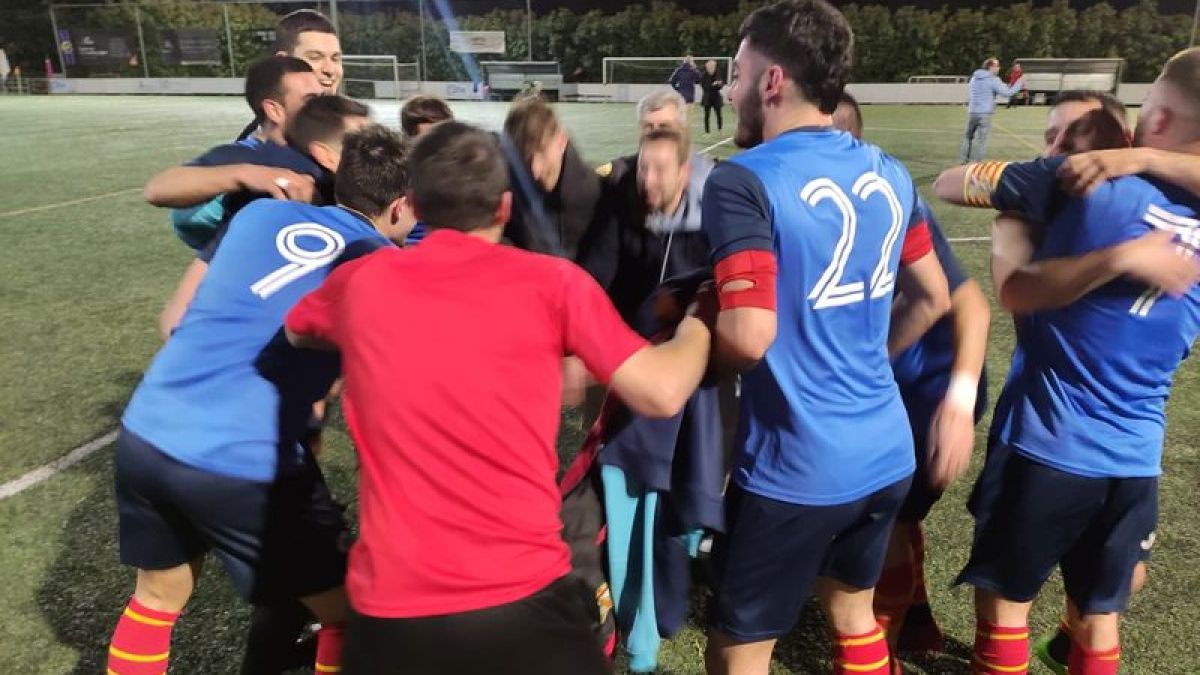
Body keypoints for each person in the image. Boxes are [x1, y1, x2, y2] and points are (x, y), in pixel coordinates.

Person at [283, 120, 716, 674]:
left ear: (412, 203)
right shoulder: (553, 283)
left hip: (390, 608)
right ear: (506, 206)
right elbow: (661, 390)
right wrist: (701, 319)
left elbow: (299, 330)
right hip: (520, 593)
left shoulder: (362, 280)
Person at [105, 123, 416, 675]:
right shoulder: (385, 266)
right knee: (350, 615)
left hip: (148, 429)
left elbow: (174, 320)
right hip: (243, 460)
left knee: (157, 598)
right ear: (401, 206)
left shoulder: (256, 215)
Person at [700, 3, 952, 674]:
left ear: (773, 80)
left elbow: (749, 336)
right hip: (884, 449)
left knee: (738, 644)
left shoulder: (742, 180)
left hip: (796, 465)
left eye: (737, 72)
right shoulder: (890, 170)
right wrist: (864, 357)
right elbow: (933, 295)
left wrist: (695, 355)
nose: (728, 89)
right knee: (851, 611)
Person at [932, 49, 1200, 675]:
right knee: (1098, 618)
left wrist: (1029, 215)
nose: (1060, 149)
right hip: (1136, 462)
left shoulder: (1073, 187)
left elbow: (951, 183)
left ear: (1152, 119)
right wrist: (1140, 157)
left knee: (1004, 612)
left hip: (1049, 449)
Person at [832, 92, 992, 657]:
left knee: (887, 525)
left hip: (926, 390)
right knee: (896, 519)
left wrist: (957, 402)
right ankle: (916, 618)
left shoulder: (885, 200)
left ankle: (885, 639)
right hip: (894, 386)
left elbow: (970, 304)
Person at [146, 56, 325, 252]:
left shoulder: (324, 146)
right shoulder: (247, 155)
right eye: (311, 102)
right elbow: (157, 189)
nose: (324, 110)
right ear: (274, 111)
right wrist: (249, 175)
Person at [501, 97, 602, 258]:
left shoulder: (598, 193)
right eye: (525, 158)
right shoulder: (503, 189)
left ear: (562, 141)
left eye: (542, 151)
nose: (535, 169)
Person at [234, 9, 343, 142]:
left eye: (335, 58)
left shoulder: (353, 129)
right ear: (283, 62)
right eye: (315, 57)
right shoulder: (251, 154)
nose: (330, 69)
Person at [960, 57, 1025, 164]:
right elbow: (1007, 93)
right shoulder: (993, 79)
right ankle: (978, 165)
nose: (999, 68)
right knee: (982, 141)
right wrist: (1019, 83)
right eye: (997, 66)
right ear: (991, 67)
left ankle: (963, 162)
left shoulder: (974, 78)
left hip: (972, 112)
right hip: (985, 113)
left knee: (968, 138)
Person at [700, 59, 725, 134]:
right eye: (709, 67)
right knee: (706, 115)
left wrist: (719, 84)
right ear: (707, 67)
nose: (711, 68)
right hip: (707, 98)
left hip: (716, 98)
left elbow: (720, 86)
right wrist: (713, 85)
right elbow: (704, 87)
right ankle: (707, 131)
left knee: (719, 115)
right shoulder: (704, 75)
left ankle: (720, 129)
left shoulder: (718, 74)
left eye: (713, 66)